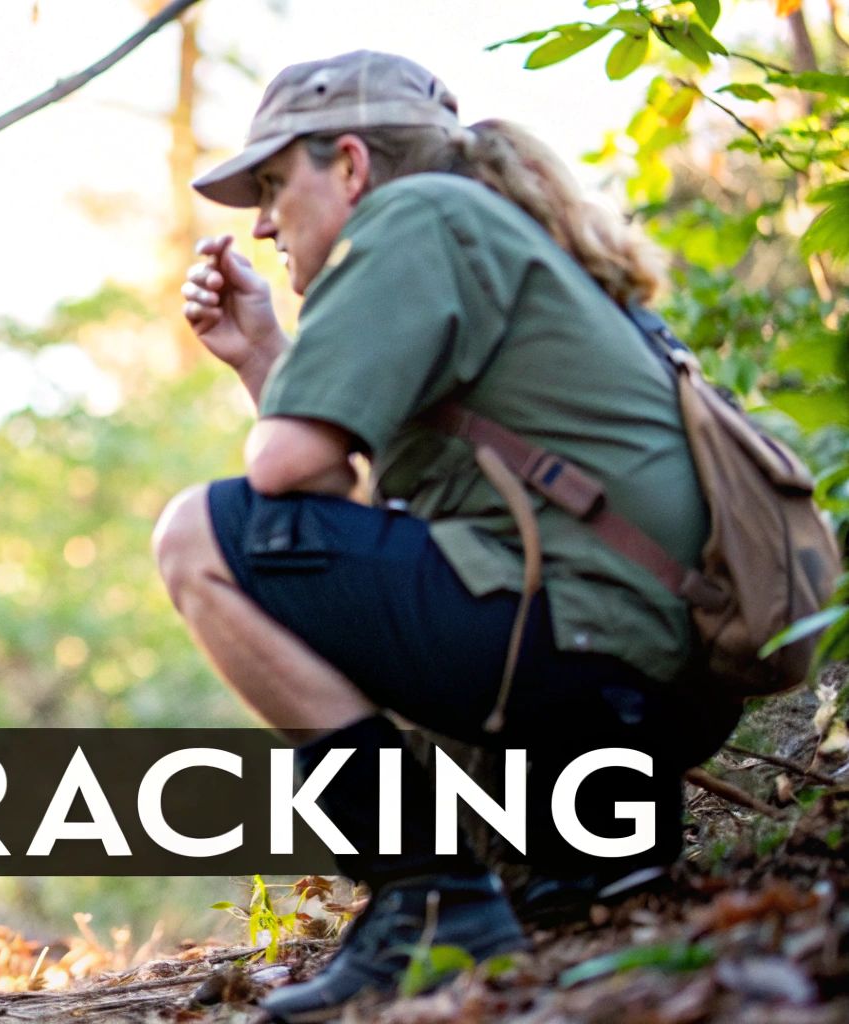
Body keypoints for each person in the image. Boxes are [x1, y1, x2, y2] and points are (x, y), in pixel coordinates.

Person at [152, 50, 742, 1020]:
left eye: (273, 183)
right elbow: (362, 514)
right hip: (655, 685)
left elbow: (284, 478)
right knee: (370, 549)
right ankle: (593, 849)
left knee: (196, 536)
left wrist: (273, 384)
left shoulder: (412, 217)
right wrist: (262, 354)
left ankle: (425, 892)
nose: (260, 223)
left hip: (592, 650)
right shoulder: (501, 237)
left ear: (349, 165)